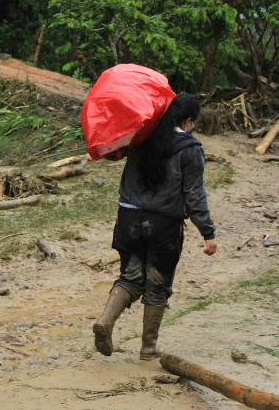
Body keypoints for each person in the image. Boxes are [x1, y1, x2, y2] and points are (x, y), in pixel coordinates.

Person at [93, 93, 217, 360]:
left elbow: (114, 152)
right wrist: (208, 232)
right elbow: (194, 194)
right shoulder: (190, 149)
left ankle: (106, 320)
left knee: (130, 277)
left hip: (127, 218)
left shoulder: (141, 138)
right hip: (163, 224)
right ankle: (148, 347)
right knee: (157, 284)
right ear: (188, 120)